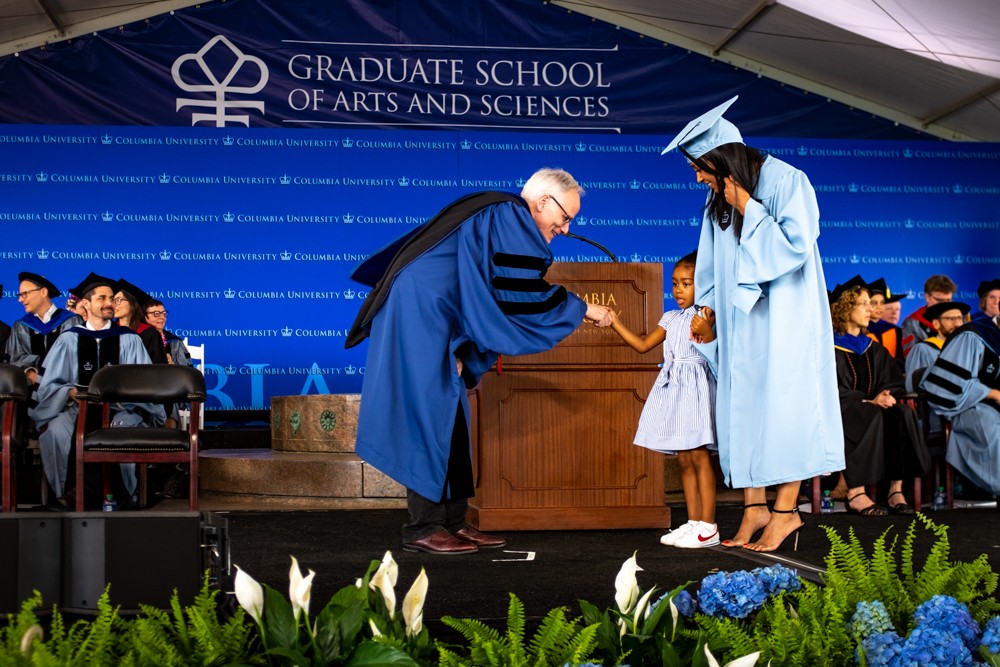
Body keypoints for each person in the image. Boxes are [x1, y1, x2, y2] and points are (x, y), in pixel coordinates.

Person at [345, 168, 613, 555]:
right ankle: (422, 528)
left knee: (451, 417)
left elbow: (482, 286)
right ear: (542, 202)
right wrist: (582, 309)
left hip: (441, 317)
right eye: (565, 217)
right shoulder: (510, 216)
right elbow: (516, 292)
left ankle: (452, 522)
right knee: (428, 417)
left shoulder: (504, 216)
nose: (567, 229)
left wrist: (464, 347)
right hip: (421, 314)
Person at [664, 96, 844, 553]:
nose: (699, 177)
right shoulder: (716, 198)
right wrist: (708, 312)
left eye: (701, 167)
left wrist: (748, 205)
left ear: (722, 158)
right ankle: (753, 508)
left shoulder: (787, 180)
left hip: (784, 316)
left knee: (786, 409)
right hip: (741, 322)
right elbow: (712, 263)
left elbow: (795, 246)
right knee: (742, 409)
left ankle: (786, 511)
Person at [609, 251, 718, 548]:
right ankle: (694, 522)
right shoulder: (670, 317)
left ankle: (709, 526)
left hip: (696, 388)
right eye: (675, 283)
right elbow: (643, 345)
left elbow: (714, 349)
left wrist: (707, 331)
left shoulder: (708, 314)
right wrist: (615, 322)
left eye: (687, 283)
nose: (679, 290)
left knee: (699, 456)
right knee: (683, 458)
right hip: (675, 390)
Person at [29, 272, 164, 507]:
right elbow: (50, 383)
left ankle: (123, 495)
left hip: (121, 408)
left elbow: (145, 384)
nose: (109, 303)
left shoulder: (129, 339)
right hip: (75, 408)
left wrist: (121, 396)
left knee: (123, 428)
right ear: (86, 303)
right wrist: (69, 392)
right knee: (56, 431)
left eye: (112, 298)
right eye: (102, 298)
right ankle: (68, 493)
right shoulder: (68, 339)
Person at [830, 280, 929, 516]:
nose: (870, 309)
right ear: (845, 308)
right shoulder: (828, 346)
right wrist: (866, 400)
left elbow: (891, 380)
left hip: (871, 406)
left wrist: (886, 395)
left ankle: (895, 490)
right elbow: (828, 387)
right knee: (870, 413)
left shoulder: (873, 348)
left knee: (902, 413)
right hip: (841, 408)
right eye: (862, 304)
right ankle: (856, 493)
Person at [920, 313, 1000, 497]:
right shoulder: (973, 335)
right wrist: (993, 394)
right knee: (989, 423)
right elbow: (949, 384)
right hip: (965, 406)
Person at [905, 300, 970, 440]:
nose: (957, 324)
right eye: (950, 319)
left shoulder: (968, 350)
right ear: (936, 324)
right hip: (936, 415)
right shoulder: (923, 349)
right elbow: (913, 389)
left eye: (959, 318)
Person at [5, 273, 83, 385]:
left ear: (43, 292)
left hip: (65, 392)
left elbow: (77, 358)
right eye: (20, 295)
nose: (20, 300)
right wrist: (31, 372)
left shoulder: (70, 321)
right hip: (30, 393)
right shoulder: (21, 326)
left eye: (25, 294)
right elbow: (14, 358)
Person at [114, 279, 168, 364]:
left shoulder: (150, 334)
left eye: (118, 300)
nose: (114, 304)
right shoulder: (110, 331)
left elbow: (158, 367)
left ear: (132, 303)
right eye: (113, 300)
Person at [901, 274, 957, 356]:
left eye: (948, 300)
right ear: (927, 297)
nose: (945, 305)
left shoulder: (958, 320)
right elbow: (911, 357)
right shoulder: (913, 323)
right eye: (940, 300)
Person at [866, 277, 905, 371]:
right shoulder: (859, 330)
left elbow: (900, 359)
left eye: (882, 303)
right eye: (874, 303)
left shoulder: (895, 330)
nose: (879, 307)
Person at [143, 299, 192, 367]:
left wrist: (172, 366)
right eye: (156, 314)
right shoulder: (138, 339)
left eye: (164, 313)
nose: (162, 317)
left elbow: (187, 369)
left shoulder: (175, 342)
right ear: (145, 317)